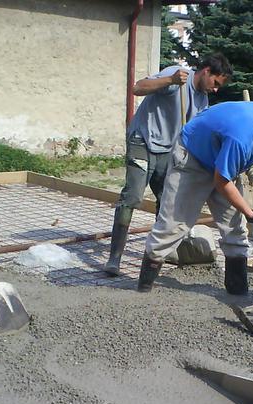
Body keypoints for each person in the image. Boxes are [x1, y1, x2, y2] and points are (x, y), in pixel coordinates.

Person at [137, 102, 253, 294]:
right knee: (173, 225)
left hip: (223, 156)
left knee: (235, 229)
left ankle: (237, 291)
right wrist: (252, 216)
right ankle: (143, 289)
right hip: (193, 158)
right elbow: (222, 183)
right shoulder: (241, 140)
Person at [104, 54, 233, 276]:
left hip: (168, 149)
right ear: (206, 72)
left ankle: (162, 250)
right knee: (133, 196)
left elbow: (196, 131)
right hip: (142, 140)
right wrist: (169, 81)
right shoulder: (177, 76)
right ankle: (114, 258)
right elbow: (137, 88)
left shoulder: (202, 100)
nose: (215, 89)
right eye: (215, 83)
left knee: (167, 199)